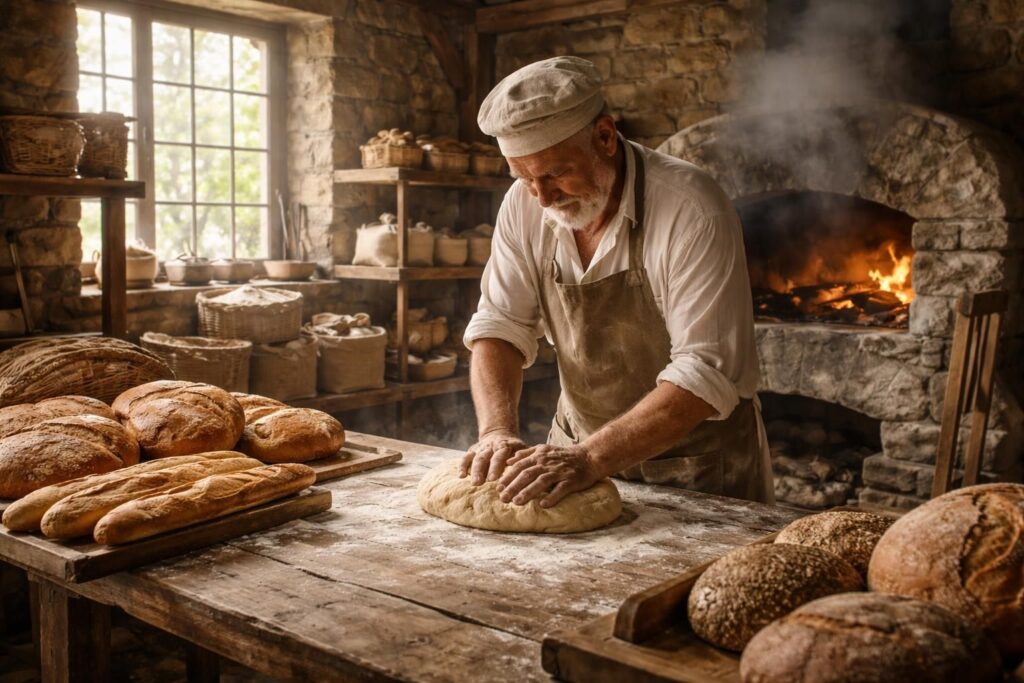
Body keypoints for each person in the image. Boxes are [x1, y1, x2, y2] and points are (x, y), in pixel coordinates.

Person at [460, 56, 774, 508]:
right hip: (575, 454)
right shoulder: (524, 204)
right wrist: (495, 432)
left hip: (696, 466)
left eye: (554, 174)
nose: (542, 197)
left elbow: (705, 372)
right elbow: (499, 324)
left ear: (605, 136)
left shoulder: (691, 208)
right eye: (524, 178)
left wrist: (589, 458)